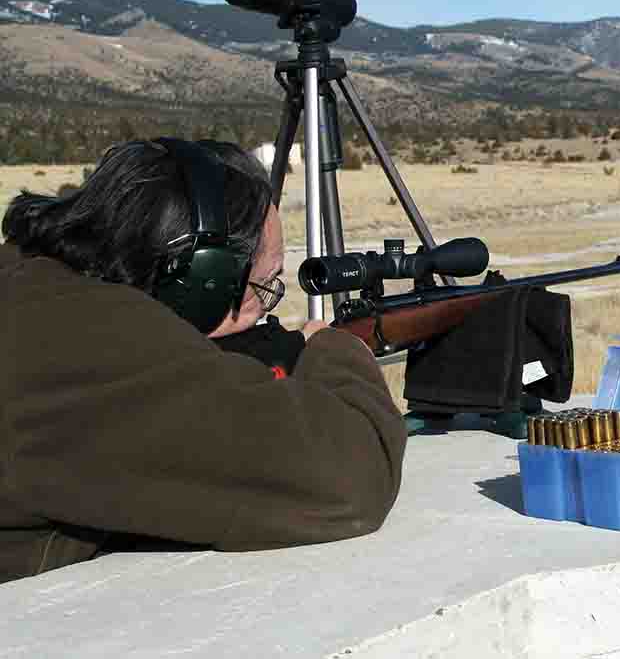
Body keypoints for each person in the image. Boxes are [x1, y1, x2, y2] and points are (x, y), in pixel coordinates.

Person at [0, 138, 407, 585]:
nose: (265, 312)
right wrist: (333, 346)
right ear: (197, 283)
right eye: (263, 286)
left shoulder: (33, 285)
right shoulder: (97, 344)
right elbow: (350, 478)